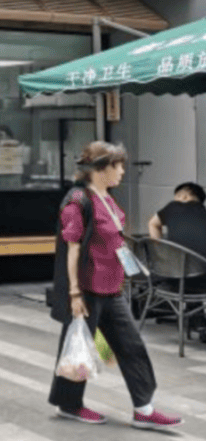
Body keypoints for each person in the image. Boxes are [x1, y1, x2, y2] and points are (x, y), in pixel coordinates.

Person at [48, 141, 181, 430]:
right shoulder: (77, 201)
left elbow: (114, 238)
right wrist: (74, 293)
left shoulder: (106, 196)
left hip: (112, 289)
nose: (122, 171)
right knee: (78, 348)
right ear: (100, 169)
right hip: (87, 291)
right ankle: (69, 404)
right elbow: (72, 249)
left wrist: (132, 267)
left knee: (132, 346)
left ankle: (144, 410)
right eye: (118, 166)